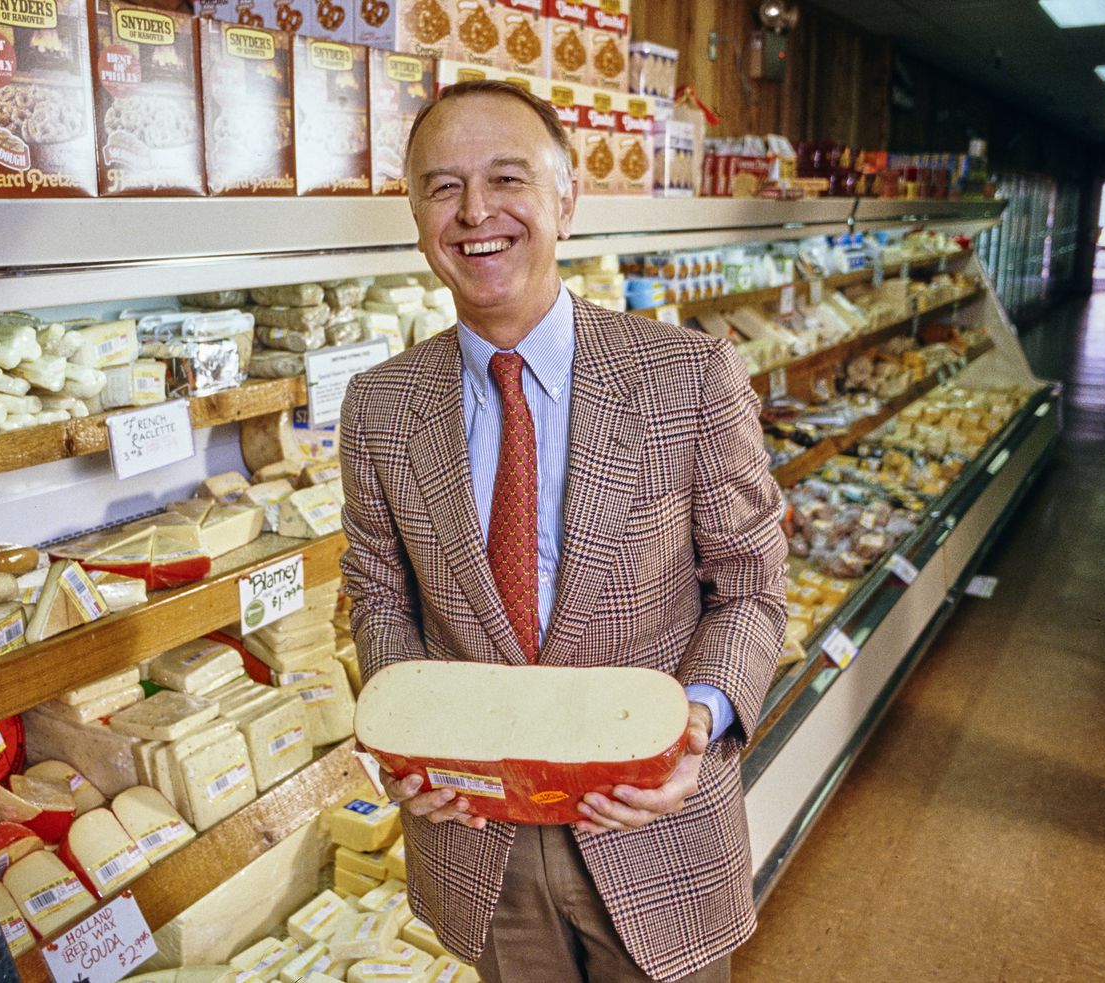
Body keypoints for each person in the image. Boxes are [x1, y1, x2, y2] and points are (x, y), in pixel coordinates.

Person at [339, 80, 787, 983]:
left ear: (566, 199)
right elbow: (380, 592)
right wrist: (406, 726)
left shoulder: (687, 374)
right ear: (416, 212)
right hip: (478, 842)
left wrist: (695, 722)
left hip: (651, 825)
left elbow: (749, 585)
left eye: (508, 178)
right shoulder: (380, 404)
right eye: (443, 187)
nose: (475, 214)